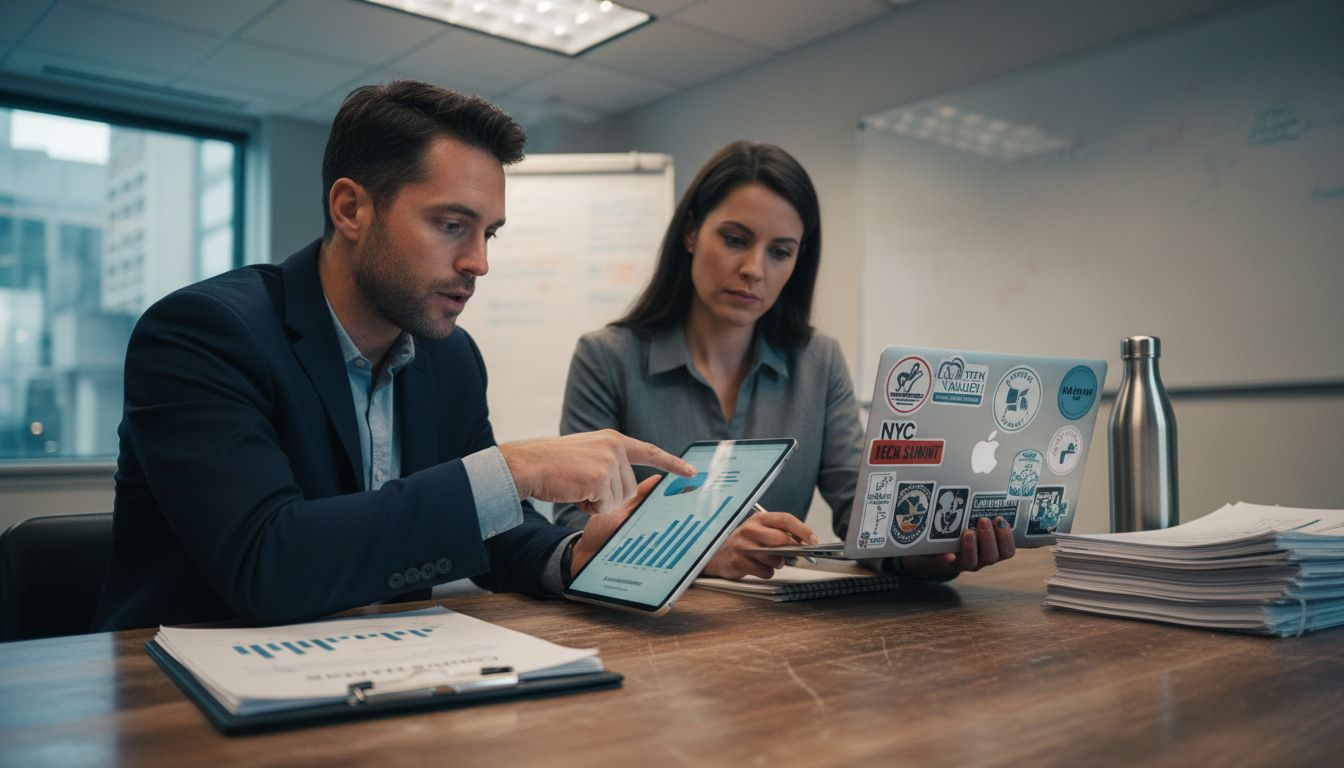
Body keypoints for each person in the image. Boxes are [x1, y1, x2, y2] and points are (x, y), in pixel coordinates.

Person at [93, 81, 693, 631]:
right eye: (452, 224)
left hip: (384, 676)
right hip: (187, 700)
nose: (478, 262)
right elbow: (266, 563)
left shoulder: (450, 357)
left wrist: (575, 556)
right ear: (351, 209)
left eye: (489, 233)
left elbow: (492, 531)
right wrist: (511, 470)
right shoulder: (203, 333)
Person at [555, 142, 1014, 580]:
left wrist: (927, 556)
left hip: (785, 630)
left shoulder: (820, 362)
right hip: (644, 632)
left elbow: (863, 511)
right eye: (735, 239)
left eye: (780, 252)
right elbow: (572, 532)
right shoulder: (606, 358)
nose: (755, 269)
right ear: (692, 232)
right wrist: (706, 554)